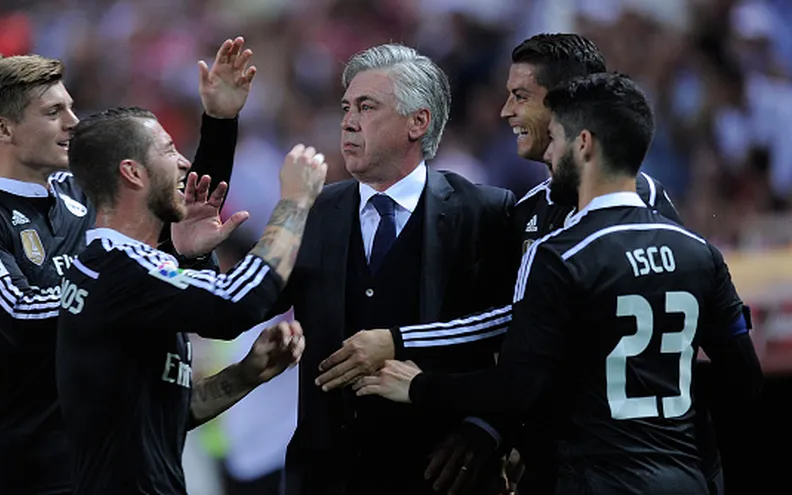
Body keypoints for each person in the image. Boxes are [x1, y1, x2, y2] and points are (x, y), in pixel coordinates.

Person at [316, 34, 702, 494]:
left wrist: (403, 348)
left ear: (568, 105)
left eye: (521, 96)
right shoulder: (523, 212)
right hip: (561, 463)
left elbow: (526, 322)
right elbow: (513, 341)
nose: (505, 111)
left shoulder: (643, 202)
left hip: (626, 457)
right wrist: (492, 429)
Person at [0, 38, 257, 495]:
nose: (73, 123)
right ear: (3, 129)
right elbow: (18, 315)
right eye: (53, 113)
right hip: (30, 469)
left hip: (114, 461)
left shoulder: (85, 192)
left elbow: (181, 205)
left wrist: (220, 123)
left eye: (70, 107)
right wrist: (112, 291)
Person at [266, 43, 518, 495]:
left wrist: (485, 429)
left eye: (366, 106)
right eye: (346, 107)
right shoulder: (312, 209)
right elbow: (243, 303)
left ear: (417, 122)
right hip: (328, 476)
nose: (347, 121)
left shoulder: (484, 212)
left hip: (441, 473)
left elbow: (515, 339)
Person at [56, 106, 327, 494]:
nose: (183, 161)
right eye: (168, 150)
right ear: (133, 172)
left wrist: (245, 374)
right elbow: (238, 303)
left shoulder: (102, 267)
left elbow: (166, 414)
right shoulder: (123, 271)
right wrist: (295, 205)